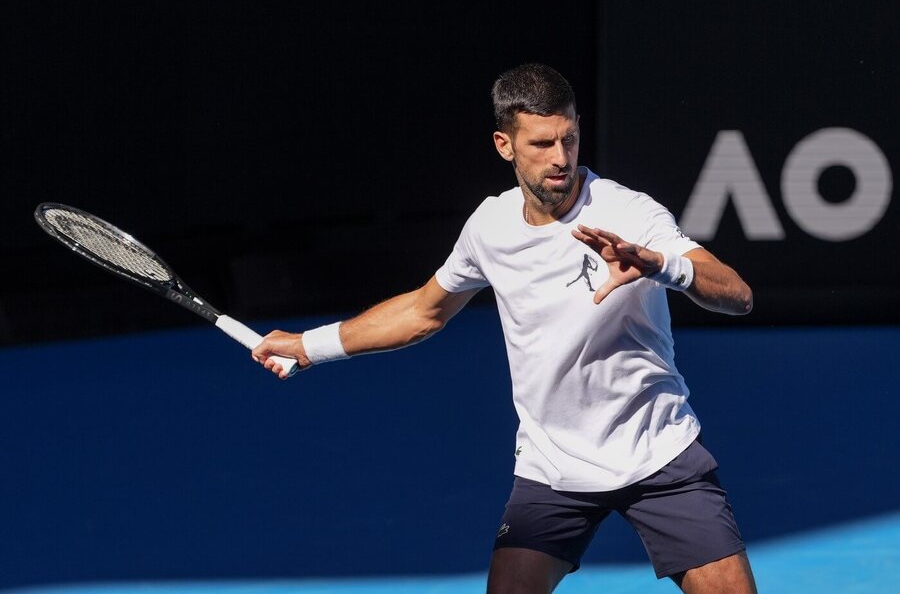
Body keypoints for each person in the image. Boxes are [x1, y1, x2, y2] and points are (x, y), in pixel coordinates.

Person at [252, 63, 757, 594]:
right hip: (552, 466)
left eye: (569, 138)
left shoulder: (629, 212)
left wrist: (662, 266)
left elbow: (738, 295)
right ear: (504, 144)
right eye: (541, 144)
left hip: (658, 451)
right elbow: (425, 311)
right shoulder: (488, 228)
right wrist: (310, 346)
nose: (560, 158)